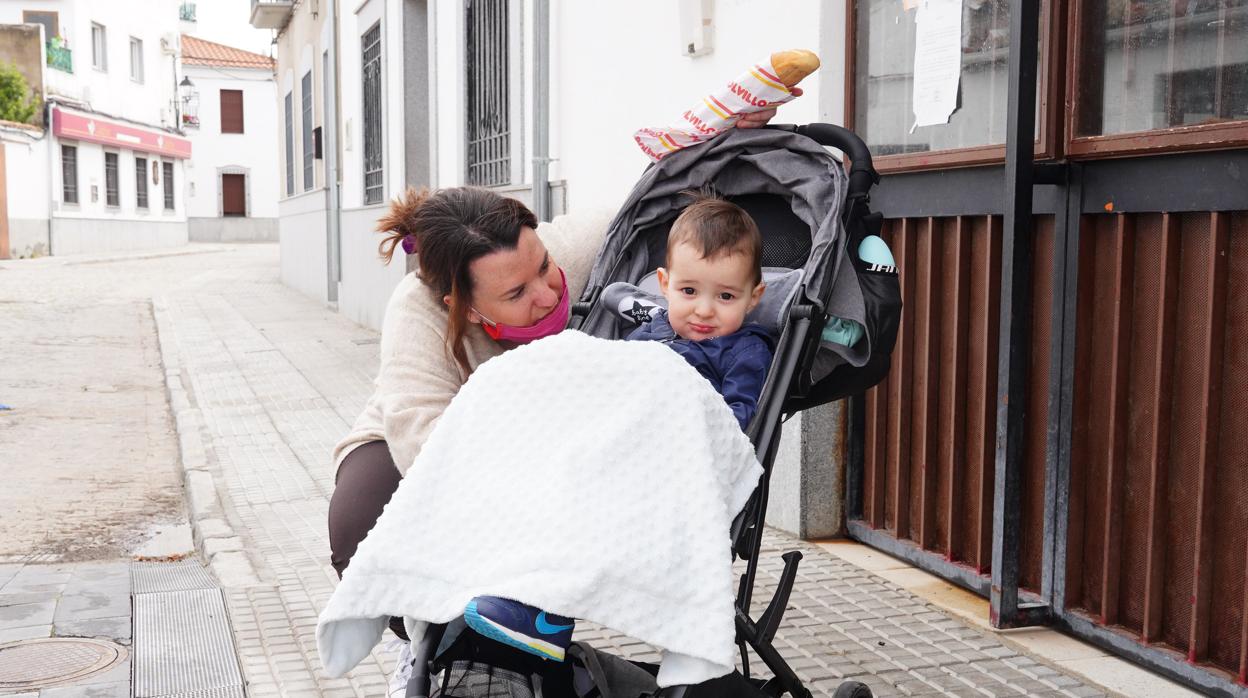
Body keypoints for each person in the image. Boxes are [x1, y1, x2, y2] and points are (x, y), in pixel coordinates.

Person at [326, 104, 790, 697]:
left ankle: (527, 654)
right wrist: (527, 493)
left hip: (566, 437)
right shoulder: (416, 313)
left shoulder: (578, 246)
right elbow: (423, 437)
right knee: (361, 522)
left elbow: (674, 204)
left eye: (543, 266)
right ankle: (432, 641)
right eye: (518, 292)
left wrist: (732, 136)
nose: (548, 293)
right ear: (464, 307)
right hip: (430, 439)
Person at [625, 193, 773, 430]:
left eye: (726, 296)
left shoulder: (744, 352)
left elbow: (738, 422)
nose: (704, 311)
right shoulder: (650, 332)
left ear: (752, 298)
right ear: (665, 284)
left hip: (686, 440)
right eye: (689, 290)